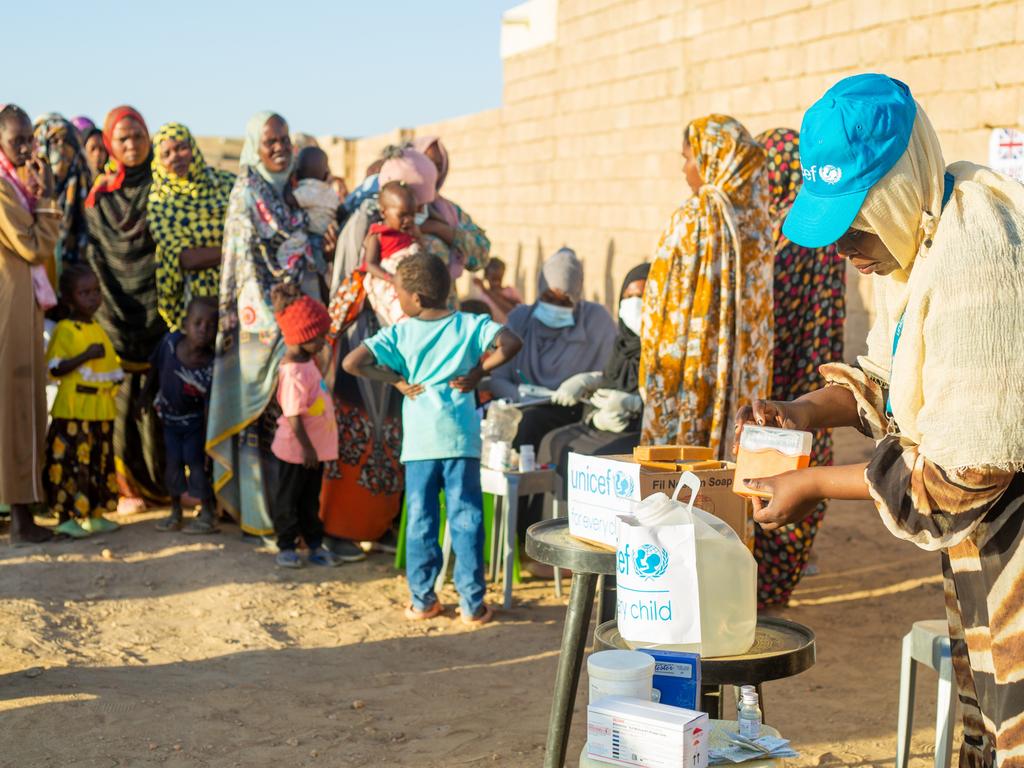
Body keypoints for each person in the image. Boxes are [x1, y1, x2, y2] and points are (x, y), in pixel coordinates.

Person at [735, 74, 1024, 765]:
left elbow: (966, 470)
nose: (844, 251)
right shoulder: (925, 241)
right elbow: (898, 381)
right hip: (985, 555)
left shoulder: (975, 259)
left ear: (893, 192)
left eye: (853, 225)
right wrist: (805, 411)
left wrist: (810, 485)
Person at [343, 252, 522, 623]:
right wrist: (477, 371)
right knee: (466, 517)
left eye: (400, 294)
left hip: (421, 444)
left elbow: (353, 362)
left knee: (422, 519)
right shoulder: (471, 324)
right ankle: (473, 605)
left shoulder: (400, 332)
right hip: (461, 439)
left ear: (417, 298)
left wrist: (395, 381)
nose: (400, 300)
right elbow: (510, 342)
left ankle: (423, 600)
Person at [207, 111, 327, 541]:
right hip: (263, 326)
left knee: (298, 422)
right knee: (264, 425)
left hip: (297, 327)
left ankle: (295, 519)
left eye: (283, 139)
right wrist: (284, 320)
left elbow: (306, 248)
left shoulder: (295, 193)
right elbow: (246, 264)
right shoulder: (245, 195)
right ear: (254, 146)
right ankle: (261, 515)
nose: (279, 147)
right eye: (269, 141)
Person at [317, 147, 441, 554]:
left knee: (390, 432)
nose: (410, 217)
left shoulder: (413, 228)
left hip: (400, 341)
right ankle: (341, 529)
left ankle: (381, 524)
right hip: (366, 339)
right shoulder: (365, 227)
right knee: (357, 429)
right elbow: (354, 277)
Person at [639, 114, 774, 455]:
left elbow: (658, 307)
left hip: (687, 378)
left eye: (687, 158)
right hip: (742, 393)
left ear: (711, 160)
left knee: (676, 480)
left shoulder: (692, 218)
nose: (685, 169)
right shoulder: (759, 224)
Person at [750, 128, 846, 608]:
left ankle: (765, 587)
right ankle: (775, 588)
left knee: (771, 463)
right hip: (815, 373)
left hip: (778, 373)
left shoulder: (783, 233)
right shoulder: (823, 226)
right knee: (800, 461)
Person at [83, 106, 168, 512]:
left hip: (159, 312)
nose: (132, 144)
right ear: (109, 145)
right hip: (114, 313)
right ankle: (125, 487)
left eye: (138, 135)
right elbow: (95, 255)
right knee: (120, 401)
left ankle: (160, 482)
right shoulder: (99, 196)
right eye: (123, 138)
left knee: (155, 401)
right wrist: (107, 306)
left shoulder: (165, 189)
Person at [0, 104, 61, 544]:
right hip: (9, 306)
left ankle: (21, 510)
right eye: (16, 140)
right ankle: (20, 518)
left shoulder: (19, 186)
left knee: (23, 404)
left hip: (22, 304)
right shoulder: (5, 189)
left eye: (29, 139)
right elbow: (33, 247)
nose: (25, 147)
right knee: (15, 407)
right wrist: (50, 196)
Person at [538, 263, 651, 498]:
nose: (634, 304)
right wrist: (590, 382)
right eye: (628, 297)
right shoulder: (624, 342)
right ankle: (543, 527)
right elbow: (613, 378)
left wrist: (635, 405)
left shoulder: (666, 346)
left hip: (642, 431)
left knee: (595, 456)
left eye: (642, 296)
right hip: (609, 423)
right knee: (552, 442)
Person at [43, 263, 123, 538]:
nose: (92, 297)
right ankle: (66, 515)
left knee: (98, 462)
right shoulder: (65, 329)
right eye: (84, 292)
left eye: (96, 291)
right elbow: (55, 368)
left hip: (100, 410)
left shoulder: (97, 327)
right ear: (68, 298)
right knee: (69, 464)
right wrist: (85, 355)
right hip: (74, 409)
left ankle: (94, 514)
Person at [268, 284, 342, 568]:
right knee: (288, 500)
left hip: (312, 453)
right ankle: (286, 546)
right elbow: (294, 416)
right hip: (297, 453)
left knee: (310, 501)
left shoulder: (307, 362)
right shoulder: (293, 372)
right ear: (303, 337)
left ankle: (313, 544)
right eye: (319, 337)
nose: (324, 342)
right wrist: (309, 449)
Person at [148, 122, 235, 333]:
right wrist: (235, 250)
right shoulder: (160, 201)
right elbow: (188, 259)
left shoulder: (226, 184)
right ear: (158, 162)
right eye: (166, 154)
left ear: (193, 148)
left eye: (180, 148)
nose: (175, 157)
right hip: (194, 303)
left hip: (236, 292)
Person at [147, 297, 218, 534]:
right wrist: (143, 399)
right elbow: (154, 370)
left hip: (195, 424)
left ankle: (207, 513)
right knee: (173, 466)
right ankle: (175, 512)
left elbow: (210, 405)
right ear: (185, 324)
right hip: (168, 421)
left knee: (197, 465)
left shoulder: (211, 365)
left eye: (210, 325)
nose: (203, 330)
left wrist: (209, 439)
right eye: (197, 323)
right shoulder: (169, 344)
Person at [411, 135, 491, 281]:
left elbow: (482, 253)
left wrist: (439, 229)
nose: (433, 170)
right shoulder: (394, 205)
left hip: (445, 302)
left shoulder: (448, 211)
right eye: (426, 162)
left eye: (438, 165)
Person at [33, 114, 91, 272]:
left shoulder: (84, 183)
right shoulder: (27, 187)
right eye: (54, 141)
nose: (61, 148)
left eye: (67, 142)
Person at [363, 181, 423, 325]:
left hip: (410, 282)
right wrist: (392, 278)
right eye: (402, 215)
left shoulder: (411, 231)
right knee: (399, 317)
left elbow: (422, 251)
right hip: (390, 283)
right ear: (384, 212)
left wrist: (418, 237)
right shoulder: (378, 235)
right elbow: (369, 264)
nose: (408, 220)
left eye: (412, 215)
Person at [285, 145, 340, 279]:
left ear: (297, 173)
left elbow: (289, 199)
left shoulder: (307, 189)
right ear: (326, 174)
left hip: (313, 238)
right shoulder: (330, 192)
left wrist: (287, 179)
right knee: (323, 272)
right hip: (326, 237)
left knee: (313, 271)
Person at [467, 257, 523, 323]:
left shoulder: (511, 292)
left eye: (499, 278)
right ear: (486, 276)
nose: (496, 282)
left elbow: (515, 312)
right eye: (493, 278)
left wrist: (487, 291)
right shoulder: (481, 296)